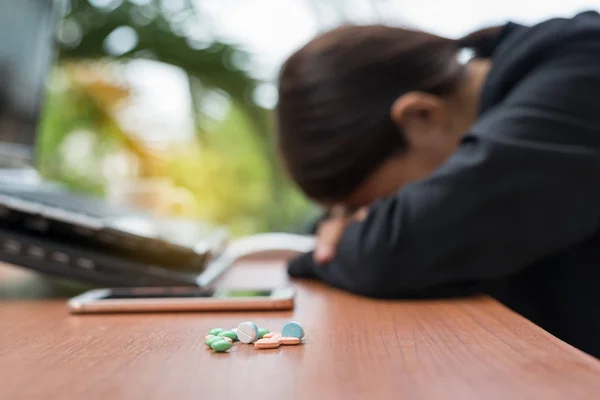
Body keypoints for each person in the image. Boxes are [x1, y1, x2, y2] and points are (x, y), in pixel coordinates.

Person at [275, 10, 600, 359]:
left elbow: (404, 243)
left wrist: (325, 258)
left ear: (421, 116)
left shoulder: (582, 69)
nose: (370, 218)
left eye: (385, 204)